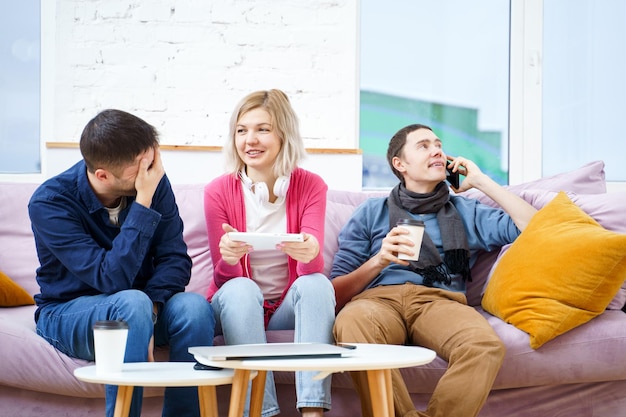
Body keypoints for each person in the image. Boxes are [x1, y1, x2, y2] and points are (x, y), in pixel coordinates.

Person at [331, 123, 538, 417]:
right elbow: (335, 292)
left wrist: (482, 183)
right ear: (400, 164)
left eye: (438, 144)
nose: (437, 150)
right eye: (424, 145)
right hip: (377, 301)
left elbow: (534, 228)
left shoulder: (466, 211)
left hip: (439, 301)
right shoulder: (371, 212)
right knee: (351, 325)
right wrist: (379, 260)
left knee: (483, 346)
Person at [28, 109, 215, 417]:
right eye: (139, 168)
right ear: (102, 175)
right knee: (130, 302)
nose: (151, 171)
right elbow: (110, 278)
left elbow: (175, 258)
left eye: (151, 161)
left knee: (194, 308)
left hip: (142, 308)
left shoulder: (152, 180)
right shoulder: (50, 203)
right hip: (69, 313)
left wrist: (152, 309)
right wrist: (142, 203)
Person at [204, 89, 335, 417]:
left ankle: (313, 411)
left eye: (262, 129)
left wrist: (310, 253)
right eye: (241, 130)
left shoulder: (311, 185)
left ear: (283, 134)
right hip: (236, 303)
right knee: (241, 289)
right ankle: (263, 413)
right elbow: (221, 278)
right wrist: (229, 260)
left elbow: (313, 266)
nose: (250, 140)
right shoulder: (218, 191)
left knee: (318, 284)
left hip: (282, 308)